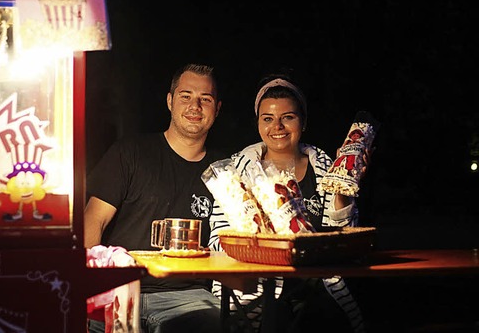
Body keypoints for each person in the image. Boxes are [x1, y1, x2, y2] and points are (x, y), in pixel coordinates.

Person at [208, 75, 366, 333]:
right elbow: (219, 239)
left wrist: (344, 186)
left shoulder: (325, 169)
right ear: (258, 123)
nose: (277, 126)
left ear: (303, 122)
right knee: (275, 319)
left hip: (318, 284)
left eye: (288, 117)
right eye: (268, 118)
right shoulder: (234, 174)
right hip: (260, 285)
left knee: (324, 317)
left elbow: (343, 236)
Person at [85, 63, 225, 333]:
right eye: (186, 96)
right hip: (120, 287)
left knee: (214, 324)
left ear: (217, 109)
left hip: (189, 296)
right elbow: (94, 220)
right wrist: (90, 285)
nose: (195, 106)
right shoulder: (130, 152)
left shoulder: (224, 170)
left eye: (205, 99)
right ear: (170, 101)